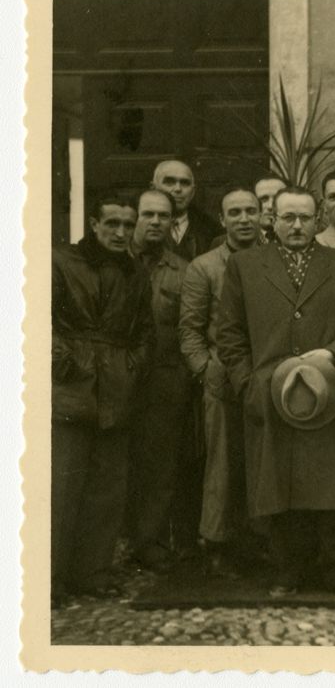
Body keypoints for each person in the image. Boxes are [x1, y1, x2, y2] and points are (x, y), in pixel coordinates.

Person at [216, 186, 335, 598]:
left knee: (332, 482)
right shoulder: (245, 266)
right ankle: (287, 570)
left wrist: (334, 357)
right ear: (272, 219)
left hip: (330, 390)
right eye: (288, 217)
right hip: (271, 390)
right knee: (280, 484)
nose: (297, 225)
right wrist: (248, 384)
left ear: (318, 216)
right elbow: (229, 333)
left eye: (305, 217)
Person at [52, 194, 153, 602]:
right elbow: (33, 316)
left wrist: (132, 367)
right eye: (112, 224)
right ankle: (50, 578)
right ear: (93, 224)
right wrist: (62, 361)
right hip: (71, 387)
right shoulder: (61, 262)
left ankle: (92, 573)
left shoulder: (135, 273)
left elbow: (145, 331)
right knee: (62, 487)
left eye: (128, 226)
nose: (121, 233)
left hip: (117, 388)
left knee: (107, 488)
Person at [179, 186, 264, 576]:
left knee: (265, 461)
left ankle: (262, 541)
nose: (244, 219)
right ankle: (217, 544)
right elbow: (191, 331)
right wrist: (205, 370)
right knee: (222, 464)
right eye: (236, 212)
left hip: (267, 374)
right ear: (223, 218)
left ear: (263, 214)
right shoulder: (204, 267)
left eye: (251, 211)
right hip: (222, 378)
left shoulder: (275, 258)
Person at [126, 188, 195, 572]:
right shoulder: (114, 261)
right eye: (147, 214)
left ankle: (148, 541)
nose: (155, 222)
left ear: (173, 222)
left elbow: (189, 329)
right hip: (114, 377)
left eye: (163, 216)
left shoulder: (183, 271)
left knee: (159, 466)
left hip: (163, 380)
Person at [152, 159, 221, 260]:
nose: (178, 189)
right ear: (153, 188)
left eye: (184, 183)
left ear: (193, 192)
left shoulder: (212, 231)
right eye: (170, 182)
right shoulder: (135, 225)